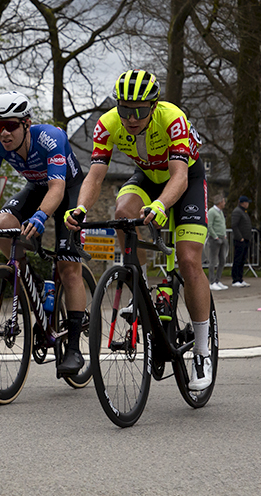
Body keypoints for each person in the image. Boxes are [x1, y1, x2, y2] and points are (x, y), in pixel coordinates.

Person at [65, 69, 213, 391]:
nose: (131, 118)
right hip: (147, 175)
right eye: (125, 109)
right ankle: (139, 284)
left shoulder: (172, 118)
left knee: (188, 261)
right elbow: (94, 176)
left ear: (153, 106)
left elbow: (179, 177)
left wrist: (161, 206)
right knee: (122, 212)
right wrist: (80, 208)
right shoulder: (107, 124)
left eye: (140, 110)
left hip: (186, 178)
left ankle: (202, 351)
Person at [0, 91, 87, 375]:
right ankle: (32, 281)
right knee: (3, 226)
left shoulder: (50, 139)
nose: (4, 133)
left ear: (26, 123)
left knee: (68, 268)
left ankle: (74, 348)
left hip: (68, 190)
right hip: (37, 188)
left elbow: (58, 189)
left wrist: (41, 215)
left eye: (11, 125)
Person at [207, 194, 228, 291]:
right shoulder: (212, 212)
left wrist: (224, 235)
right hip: (215, 239)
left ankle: (217, 280)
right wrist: (215, 237)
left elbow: (221, 224)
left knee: (222, 260)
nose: (224, 203)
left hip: (222, 238)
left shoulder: (220, 212)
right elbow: (209, 225)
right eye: (223, 201)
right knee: (213, 260)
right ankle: (211, 281)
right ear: (220, 202)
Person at [231, 195, 252, 287]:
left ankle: (240, 278)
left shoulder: (244, 211)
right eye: (247, 202)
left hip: (246, 239)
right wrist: (240, 237)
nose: (248, 204)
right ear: (243, 203)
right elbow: (234, 225)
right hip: (240, 239)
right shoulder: (237, 211)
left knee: (243, 259)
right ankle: (235, 279)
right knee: (238, 259)